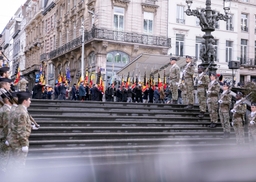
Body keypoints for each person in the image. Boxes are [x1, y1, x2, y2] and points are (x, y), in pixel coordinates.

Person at [7, 91, 32, 170]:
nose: (30, 102)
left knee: (13, 163)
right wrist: (24, 144)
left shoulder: (15, 109)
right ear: (25, 101)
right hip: (19, 142)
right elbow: (21, 130)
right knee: (19, 166)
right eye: (29, 100)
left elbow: (12, 125)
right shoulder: (22, 112)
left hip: (13, 140)